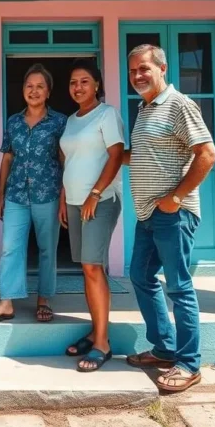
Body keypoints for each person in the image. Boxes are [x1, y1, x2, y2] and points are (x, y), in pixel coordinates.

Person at [124, 44, 215, 393]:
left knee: (178, 286)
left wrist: (175, 198)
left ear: (162, 68)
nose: (138, 76)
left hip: (172, 214)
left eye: (145, 68)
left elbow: (208, 154)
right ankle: (164, 347)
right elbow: (148, 154)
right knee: (140, 276)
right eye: (133, 70)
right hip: (148, 213)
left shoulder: (179, 104)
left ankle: (189, 363)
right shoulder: (145, 107)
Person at [0, 64, 67, 326]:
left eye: (40, 86)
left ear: (48, 92)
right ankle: (6, 302)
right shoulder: (13, 122)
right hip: (16, 194)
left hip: (48, 194)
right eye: (29, 86)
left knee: (47, 249)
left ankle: (44, 299)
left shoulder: (60, 122)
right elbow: (7, 158)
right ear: (23, 90)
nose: (34, 90)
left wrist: (63, 197)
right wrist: (0, 196)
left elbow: (65, 162)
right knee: (10, 249)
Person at [58, 60, 126, 372]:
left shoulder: (107, 113)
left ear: (97, 85)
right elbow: (68, 162)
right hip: (74, 202)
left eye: (85, 81)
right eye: (73, 82)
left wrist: (95, 193)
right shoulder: (72, 120)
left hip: (99, 201)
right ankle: (95, 331)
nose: (78, 87)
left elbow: (116, 155)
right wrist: (63, 199)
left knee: (93, 267)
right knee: (86, 269)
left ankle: (102, 343)